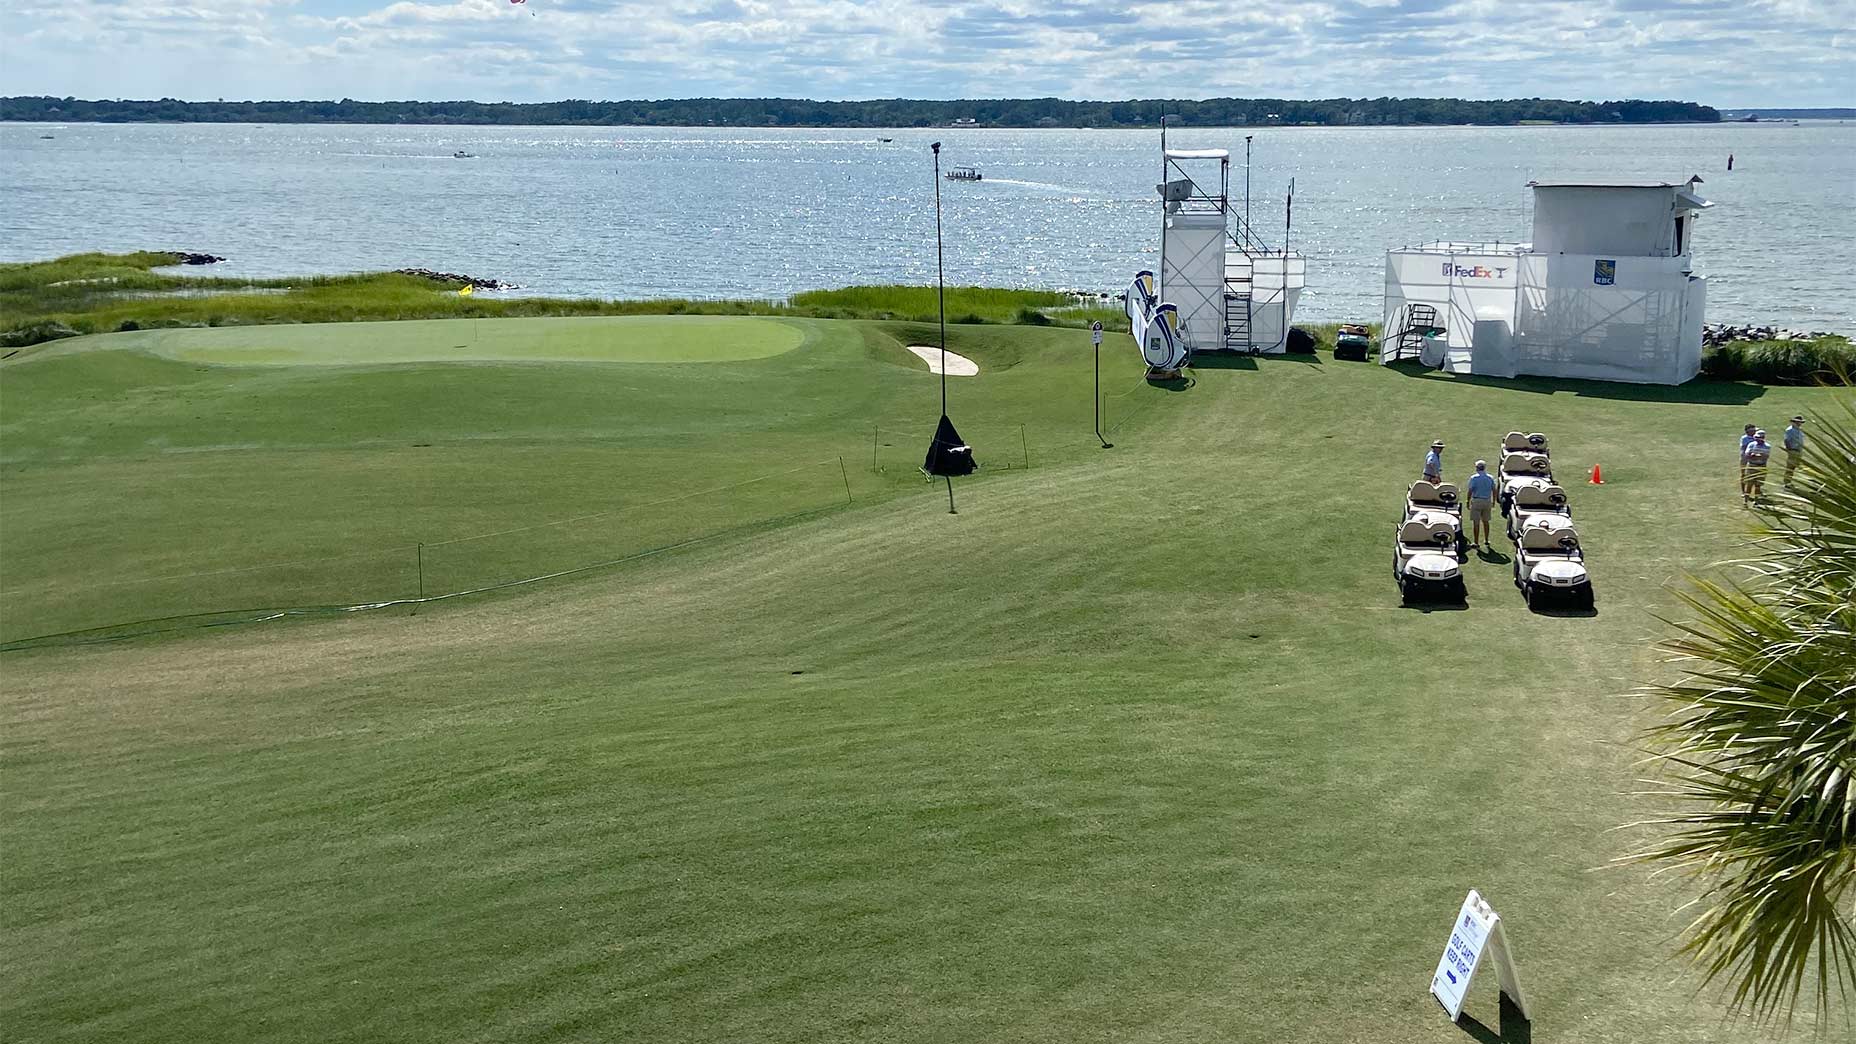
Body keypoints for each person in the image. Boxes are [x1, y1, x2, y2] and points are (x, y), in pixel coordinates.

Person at [1465, 460, 1497, 550]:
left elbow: (1470, 490)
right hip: (1487, 501)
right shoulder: (1490, 478)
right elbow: (1494, 490)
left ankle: (1476, 542)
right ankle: (1486, 540)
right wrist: (1493, 501)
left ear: (1477, 468)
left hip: (1477, 501)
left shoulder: (1474, 478)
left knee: (1476, 523)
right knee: (1486, 522)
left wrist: (1467, 501)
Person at [1743, 430, 1772, 503]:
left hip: (1761, 466)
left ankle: (1756, 501)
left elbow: (1765, 457)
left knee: (1758, 485)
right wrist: (1756, 455)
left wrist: (1754, 455)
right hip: (1752, 466)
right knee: (1749, 484)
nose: (1757, 439)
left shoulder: (1767, 446)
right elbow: (1747, 455)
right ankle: (1746, 501)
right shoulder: (1751, 445)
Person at [1783, 415, 1806, 486]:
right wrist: (1789, 449)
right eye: (1797, 422)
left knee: (1797, 466)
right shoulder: (1790, 430)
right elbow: (1786, 440)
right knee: (1790, 467)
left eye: (1800, 422)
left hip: (1799, 450)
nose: (1799, 424)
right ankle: (1787, 482)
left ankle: (1789, 481)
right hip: (1793, 450)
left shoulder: (1799, 430)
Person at [1739, 423, 1758, 496]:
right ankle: (1743, 491)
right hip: (1745, 459)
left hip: (1754, 459)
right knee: (1744, 475)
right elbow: (1745, 447)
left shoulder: (1756, 437)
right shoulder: (1744, 438)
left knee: (1756, 474)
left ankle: (1757, 491)